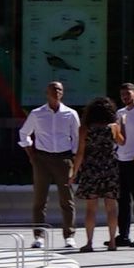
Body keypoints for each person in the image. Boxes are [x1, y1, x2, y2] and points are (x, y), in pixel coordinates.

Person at [21, 81, 83, 244]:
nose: (56, 92)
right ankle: (38, 236)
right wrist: (31, 154)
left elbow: (76, 137)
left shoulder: (70, 114)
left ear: (62, 93)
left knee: (67, 199)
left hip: (64, 159)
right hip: (42, 159)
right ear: (46, 92)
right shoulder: (37, 113)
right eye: (53, 89)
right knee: (40, 199)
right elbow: (24, 133)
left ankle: (69, 236)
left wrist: (75, 160)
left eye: (59, 89)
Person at [74, 96, 120, 249]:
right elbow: (121, 142)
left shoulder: (85, 128)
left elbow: (80, 152)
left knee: (91, 208)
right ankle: (112, 241)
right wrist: (121, 127)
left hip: (91, 168)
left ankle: (89, 243)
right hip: (110, 167)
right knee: (111, 207)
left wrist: (73, 173)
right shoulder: (113, 126)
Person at [108, 83, 134, 249]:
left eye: (127, 93)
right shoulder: (120, 112)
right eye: (122, 94)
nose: (124, 97)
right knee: (123, 200)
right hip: (121, 159)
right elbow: (119, 137)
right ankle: (123, 235)